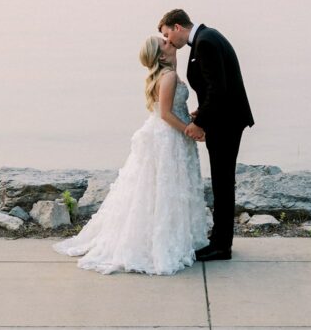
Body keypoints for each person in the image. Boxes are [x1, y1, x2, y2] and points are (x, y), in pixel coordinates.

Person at [53, 35, 209, 275]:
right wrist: (188, 130)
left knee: (168, 189)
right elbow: (166, 114)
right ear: (160, 55)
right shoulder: (167, 77)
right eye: (164, 43)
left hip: (168, 134)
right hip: (168, 137)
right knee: (163, 189)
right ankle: (160, 242)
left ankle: (176, 236)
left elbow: (171, 109)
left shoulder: (169, 74)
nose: (170, 42)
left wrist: (191, 116)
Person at [159, 9, 253, 262]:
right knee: (222, 182)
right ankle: (220, 240)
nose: (169, 42)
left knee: (222, 183)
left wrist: (199, 122)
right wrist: (202, 111)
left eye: (168, 35)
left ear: (177, 26)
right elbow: (216, 87)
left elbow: (218, 89)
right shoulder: (207, 37)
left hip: (226, 122)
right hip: (225, 118)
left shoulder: (206, 42)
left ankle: (221, 246)